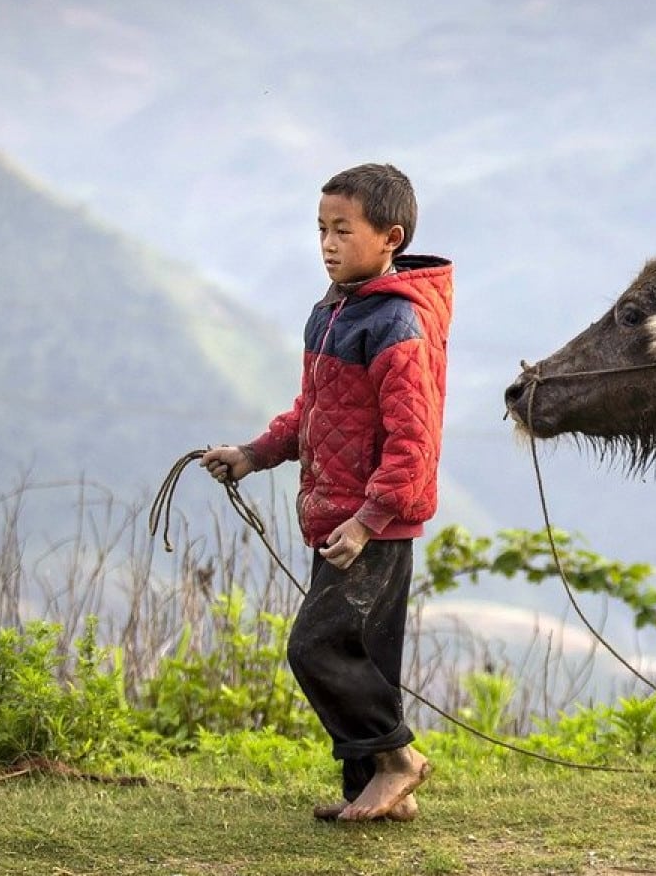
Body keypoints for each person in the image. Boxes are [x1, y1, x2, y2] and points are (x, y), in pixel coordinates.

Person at [202, 163, 452, 823]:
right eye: (321, 229)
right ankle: (373, 787)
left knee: (315, 645)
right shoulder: (333, 313)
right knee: (364, 653)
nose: (328, 243)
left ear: (390, 237)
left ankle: (398, 762)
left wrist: (368, 520)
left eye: (343, 230)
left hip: (371, 524)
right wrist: (254, 454)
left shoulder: (396, 323)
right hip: (337, 518)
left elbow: (413, 440)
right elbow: (312, 414)